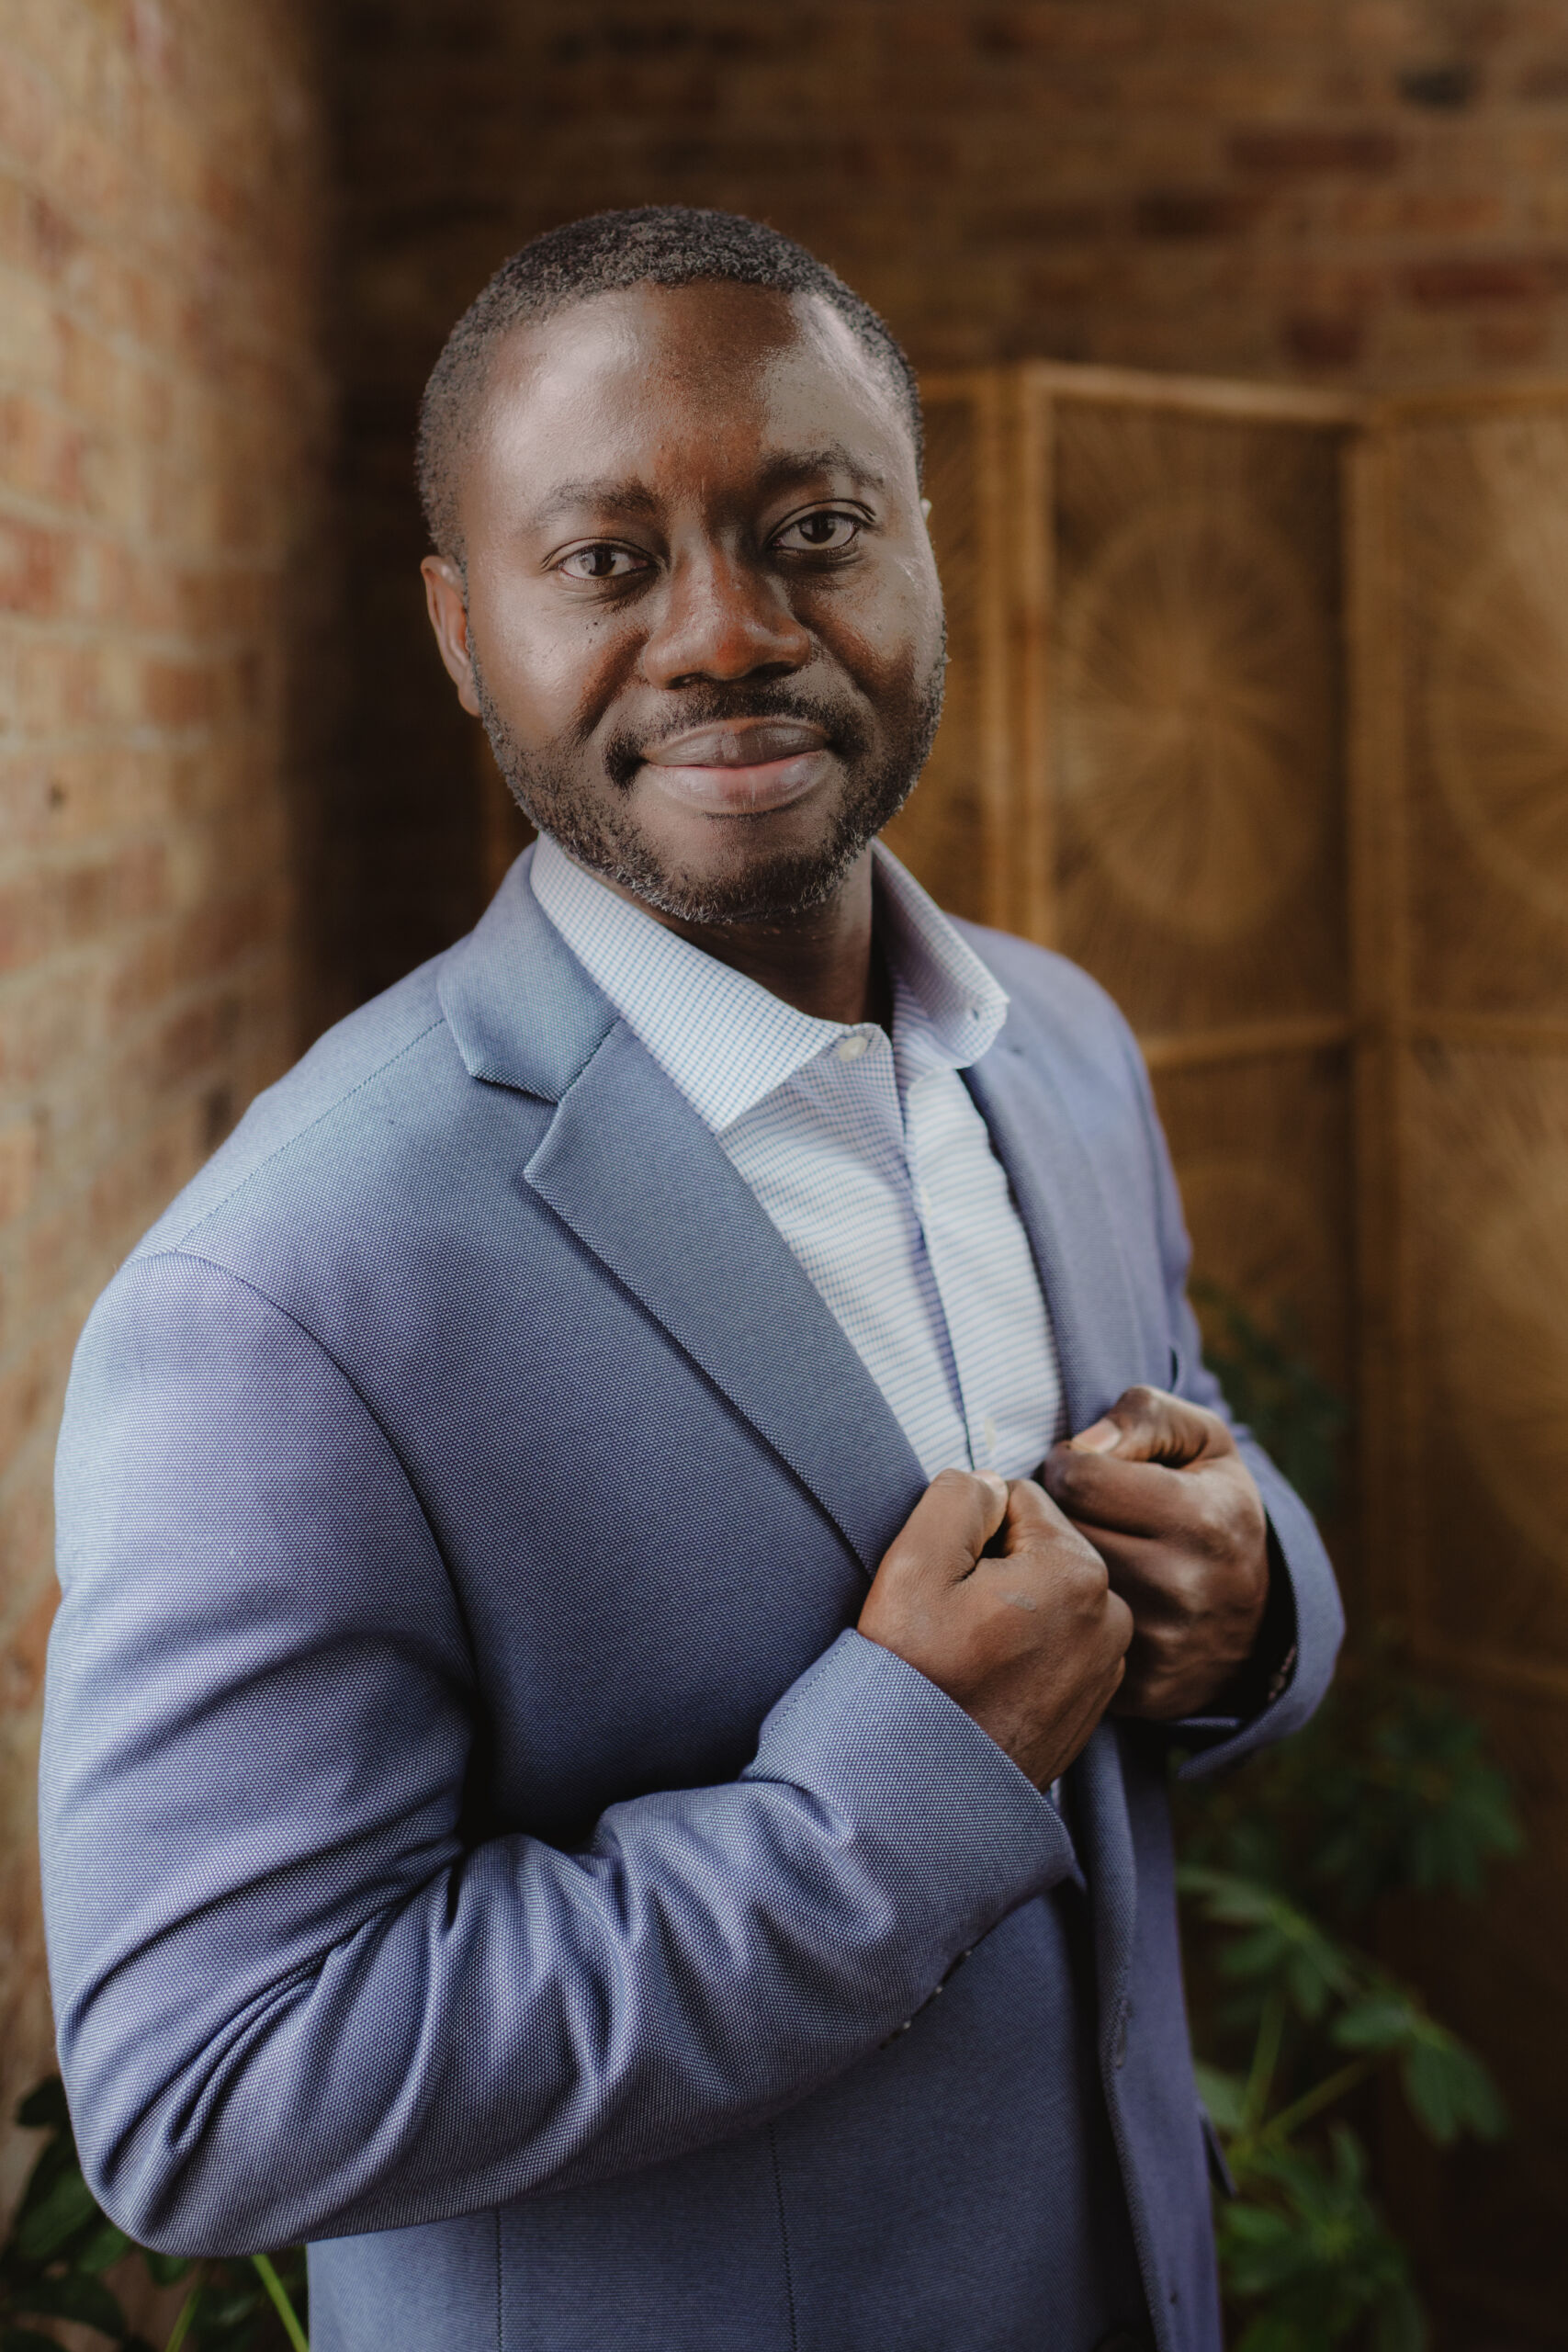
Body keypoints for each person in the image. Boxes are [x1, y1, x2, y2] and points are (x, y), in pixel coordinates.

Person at [42, 209, 1341, 2352]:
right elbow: (212, 2087)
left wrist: (1248, 1592)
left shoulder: (1068, 1050)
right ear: (462, 633)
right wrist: (886, 1801)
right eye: (607, 560)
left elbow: (1185, 1472)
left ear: (919, 552)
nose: (731, 632)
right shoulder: (288, 1288)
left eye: (813, 525)